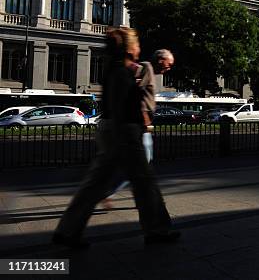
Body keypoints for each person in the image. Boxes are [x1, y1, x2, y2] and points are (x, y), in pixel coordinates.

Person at [53, 28, 180, 248]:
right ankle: (157, 230)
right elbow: (125, 107)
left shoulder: (116, 68)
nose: (140, 48)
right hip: (125, 131)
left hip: (113, 130)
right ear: (130, 48)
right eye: (138, 44)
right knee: (145, 183)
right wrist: (136, 130)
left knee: (95, 184)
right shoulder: (126, 71)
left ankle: (67, 231)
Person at [100, 49, 175, 209]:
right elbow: (136, 92)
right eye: (169, 64)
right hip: (141, 125)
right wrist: (145, 120)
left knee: (138, 165)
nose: (169, 68)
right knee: (142, 165)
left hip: (140, 125)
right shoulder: (147, 67)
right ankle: (140, 198)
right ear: (161, 60)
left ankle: (116, 192)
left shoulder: (148, 70)